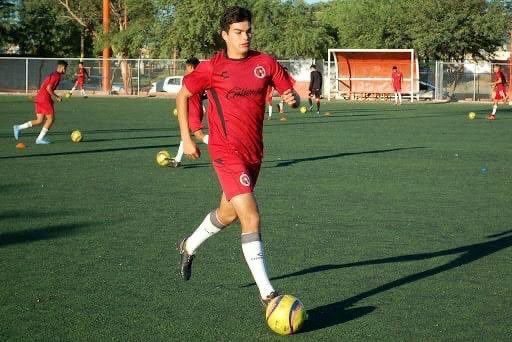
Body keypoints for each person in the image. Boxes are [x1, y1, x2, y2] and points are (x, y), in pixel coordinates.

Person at [175, 6, 299, 306]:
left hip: (253, 153)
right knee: (251, 215)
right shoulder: (212, 68)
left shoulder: (265, 63)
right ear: (224, 35)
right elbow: (183, 95)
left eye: (248, 31)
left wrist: (293, 99)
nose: (245, 37)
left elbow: (291, 97)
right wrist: (187, 137)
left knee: (228, 214)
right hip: (224, 150)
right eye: (238, 32)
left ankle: (189, 245)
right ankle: (268, 294)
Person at [13, 60, 68, 144]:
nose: (65, 70)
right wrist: (57, 97)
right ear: (62, 67)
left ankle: (18, 127)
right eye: (65, 68)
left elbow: (45, 86)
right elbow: (48, 88)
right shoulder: (57, 76)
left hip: (39, 98)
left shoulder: (52, 74)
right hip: (44, 99)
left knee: (39, 120)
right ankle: (39, 139)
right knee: (51, 119)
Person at [169, 57, 209, 168]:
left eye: (186, 67)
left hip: (192, 111)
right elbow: (204, 94)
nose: (185, 70)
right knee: (186, 137)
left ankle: (226, 150)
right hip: (198, 110)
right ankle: (177, 159)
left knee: (199, 135)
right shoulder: (202, 78)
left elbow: (183, 96)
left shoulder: (187, 78)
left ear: (190, 67)